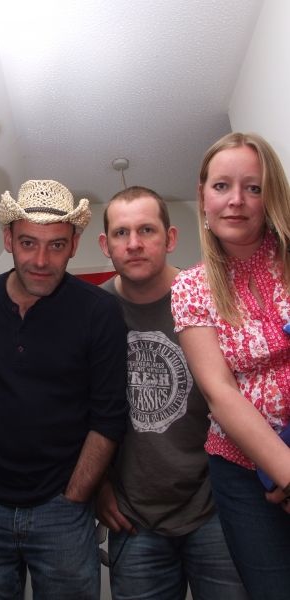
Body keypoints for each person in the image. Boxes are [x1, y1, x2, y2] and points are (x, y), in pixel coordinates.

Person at [0, 179, 127, 600]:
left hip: (62, 513)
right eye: (28, 243)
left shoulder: (99, 311)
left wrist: (74, 498)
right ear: (8, 239)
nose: (42, 260)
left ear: (74, 244)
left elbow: (108, 418)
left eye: (56, 245)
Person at [96, 186, 247, 600]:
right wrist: (98, 487)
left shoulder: (208, 298)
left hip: (215, 504)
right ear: (106, 245)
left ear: (171, 238)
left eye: (147, 230)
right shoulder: (92, 310)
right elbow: (76, 409)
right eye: (122, 233)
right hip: (133, 516)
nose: (134, 243)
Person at [171, 132, 290, 600]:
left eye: (253, 187)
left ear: (270, 196)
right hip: (242, 473)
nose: (236, 200)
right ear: (203, 196)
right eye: (221, 186)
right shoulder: (191, 287)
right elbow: (220, 392)